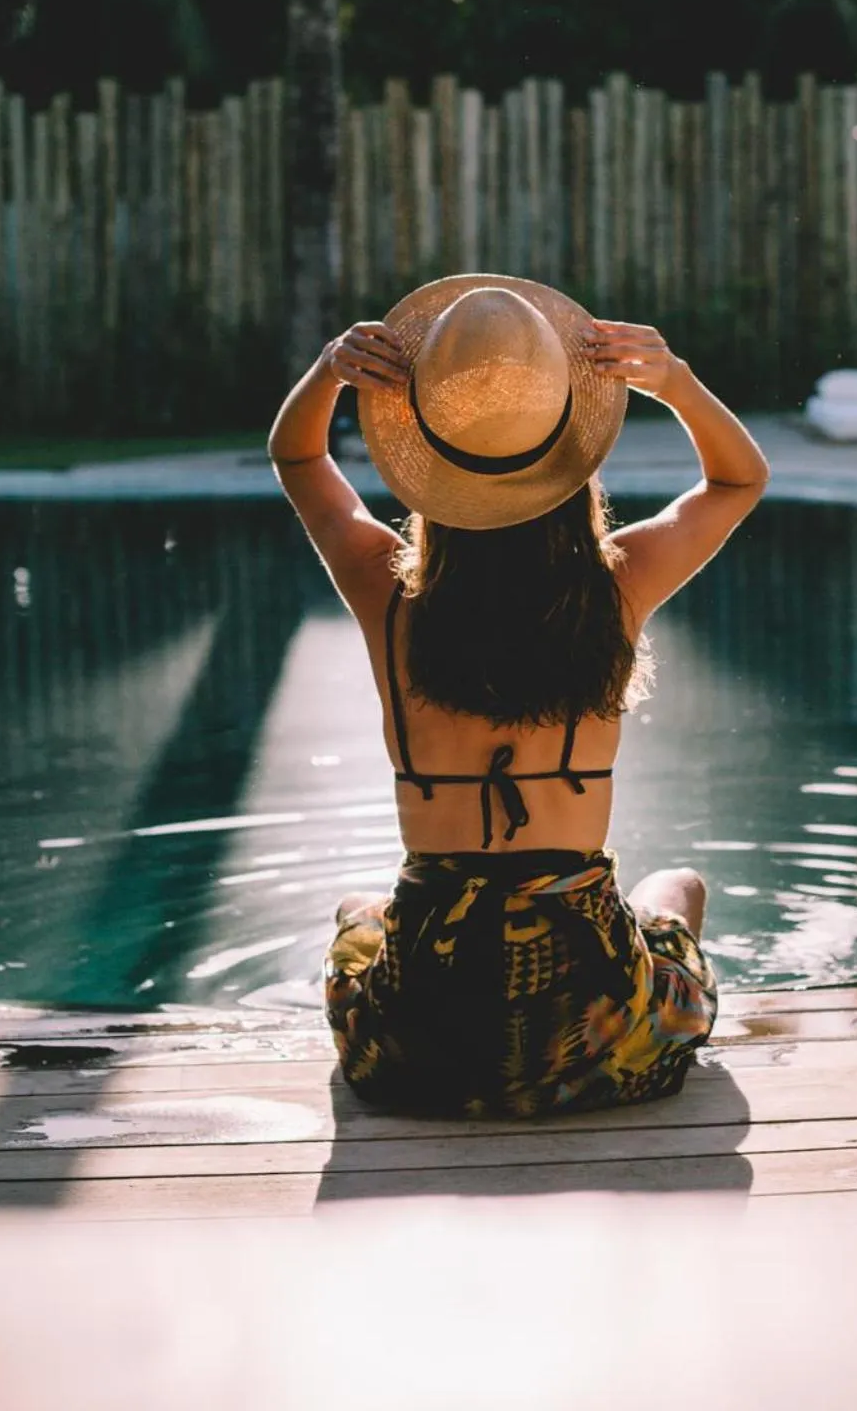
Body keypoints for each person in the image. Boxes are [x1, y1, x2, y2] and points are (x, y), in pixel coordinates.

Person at [268, 274, 769, 1119]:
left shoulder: (387, 598)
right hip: (596, 1038)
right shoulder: (618, 591)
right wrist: (675, 381)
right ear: (574, 472)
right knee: (677, 887)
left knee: (359, 911)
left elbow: (298, 459)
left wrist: (329, 372)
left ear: (430, 478)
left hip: (422, 1052)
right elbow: (737, 482)